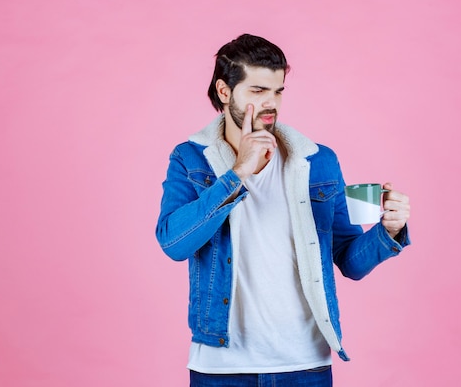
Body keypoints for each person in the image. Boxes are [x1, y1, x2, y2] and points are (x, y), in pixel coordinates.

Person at [155, 33, 411, 387]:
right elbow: (173, 243)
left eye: (277, 91)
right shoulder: (191, 158)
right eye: (257, 91)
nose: (270, 103)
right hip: (220, 369)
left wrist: (389, 231)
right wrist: (238, 173)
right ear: (225, 92)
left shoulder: (317, 161)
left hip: (305, 365)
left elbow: (350, 261)